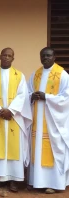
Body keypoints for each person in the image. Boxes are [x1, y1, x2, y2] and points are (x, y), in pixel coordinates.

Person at [0, 48, 32, 192]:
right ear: (0, 56)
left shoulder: (19, 76)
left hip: (14, 117)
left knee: (13, 148)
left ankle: (14, 180)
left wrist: (10, 110)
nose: (6, 57)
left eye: (9, 55)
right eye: (4, 55)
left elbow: (22, 95)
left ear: (13, 58)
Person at [28, 47, 69, 194]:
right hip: (37, 121)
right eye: (43, 55)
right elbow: (27, 92)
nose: (45, 58)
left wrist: (47, 97)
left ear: (54, 57)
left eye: (49, 55)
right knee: (37, 148)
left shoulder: (62, 75)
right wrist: (31, 97)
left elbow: (66, 98)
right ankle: (36, 181)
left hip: (53, 122)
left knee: (53, 149)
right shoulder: (36, 74)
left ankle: (55, 183)